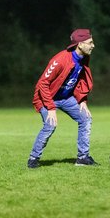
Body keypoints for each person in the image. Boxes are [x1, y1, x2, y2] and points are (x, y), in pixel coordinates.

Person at [27, 28, 99, 168]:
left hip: (66, 98)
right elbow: (43, 83)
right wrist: (51, 107)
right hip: (46, 98)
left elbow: (81, 81)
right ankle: (33, 159)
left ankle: (83, 158)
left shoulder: (84, 58)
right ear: (80, 44)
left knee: (86, 118)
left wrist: (82, 100)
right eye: (90, 42)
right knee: (50, 125)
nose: (93, 45)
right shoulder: (60, 59)